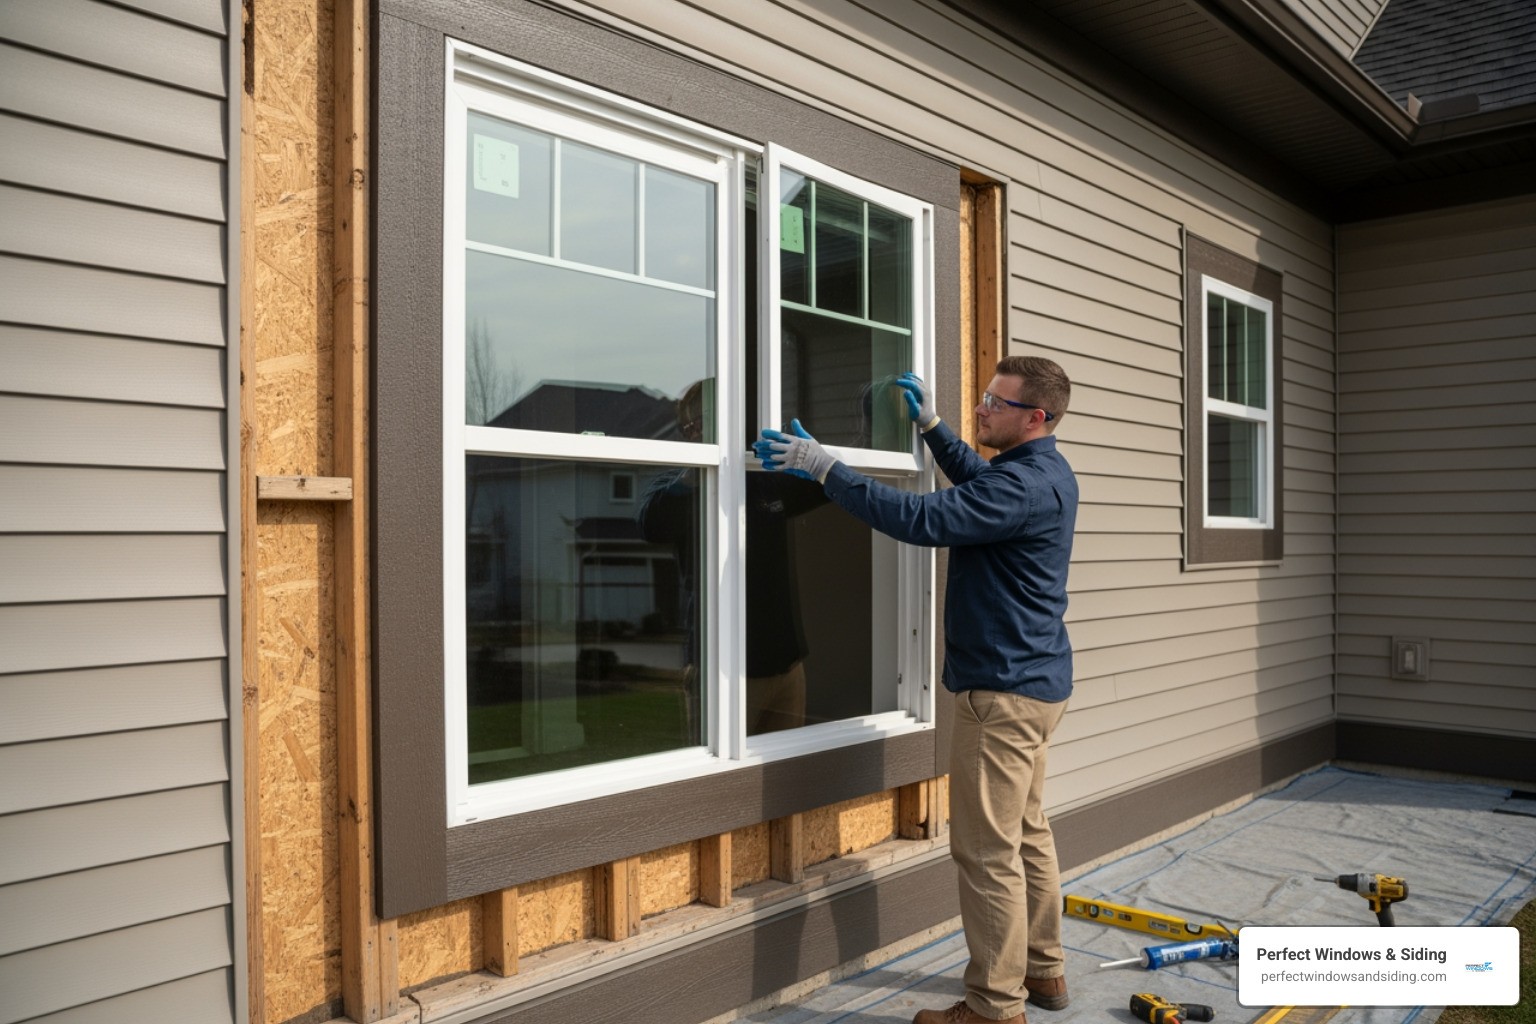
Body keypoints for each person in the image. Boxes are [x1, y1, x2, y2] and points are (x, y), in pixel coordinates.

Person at [755, 356, 1078, 1024]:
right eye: (984, 396)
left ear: (1035, 417)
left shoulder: (1020, 488)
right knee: (1025, 833)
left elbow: (920, 519)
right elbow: (978, 483)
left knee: (987, 852)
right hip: (1035, 686)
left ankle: (994, 1006)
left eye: (996, 401)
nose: (983, 407)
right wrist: (933, 429)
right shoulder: (1041, 472)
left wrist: (825, 468)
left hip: (1001, 694)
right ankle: (1043, 972)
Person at [639, 380, 823, 734]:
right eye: (698, 422)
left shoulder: (762, 479)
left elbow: (828, 486)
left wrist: (825, 456)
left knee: (785, 778)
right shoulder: (678, 486)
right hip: (722, 670)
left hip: (786, 666)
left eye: (723, 414)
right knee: (720, 782)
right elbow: (650, 524)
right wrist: (700, 466)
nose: (713, 426)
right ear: (690, 431)